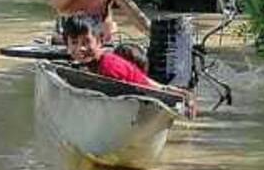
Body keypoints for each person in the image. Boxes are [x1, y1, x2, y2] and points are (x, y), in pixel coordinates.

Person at [61, 15, 196, 115]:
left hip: (144, 103)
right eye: (74, 42)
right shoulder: (99, 62)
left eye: (86, 42)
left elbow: (135, 91)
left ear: (99, 41)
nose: (80, 48)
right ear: (66, 45)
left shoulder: (107, 67)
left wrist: (170, 94)